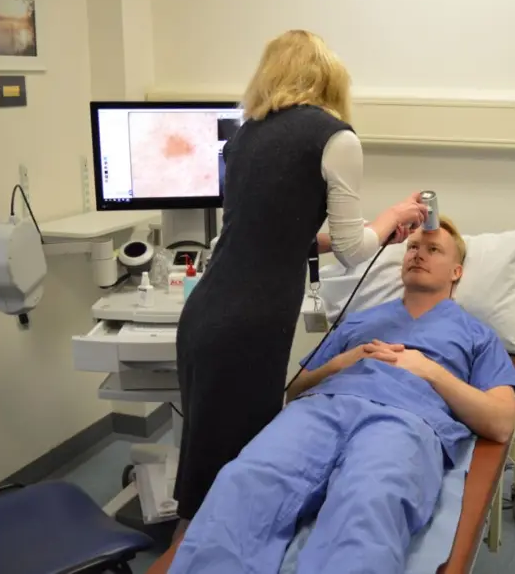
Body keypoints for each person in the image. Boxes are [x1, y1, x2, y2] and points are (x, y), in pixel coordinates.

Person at [160, 28, 430, 558]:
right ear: (329, 78)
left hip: (205, 314)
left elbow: (275, 234)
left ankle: (194, 553)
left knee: (206, 464)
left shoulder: (244, 137)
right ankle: (191, 558)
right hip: (248, 327)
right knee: (229, 480)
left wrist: (377, 227)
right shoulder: (336, 137)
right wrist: (393, 216)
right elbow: (355, 251)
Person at [165, 217, 515, 574]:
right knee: (246, 480)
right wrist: (340, 362)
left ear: (456, 272)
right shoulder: (357, 321)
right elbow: (295, 391)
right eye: (413, 246)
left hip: (405, 421)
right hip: (320, 410)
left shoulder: (478, 335)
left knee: (368, 503)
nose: (418, 254)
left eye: (433, 249)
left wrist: (428, 370)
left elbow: (501, 422)